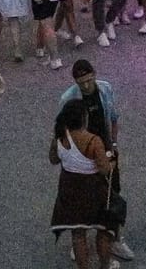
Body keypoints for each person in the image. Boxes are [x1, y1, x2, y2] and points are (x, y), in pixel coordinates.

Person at [49, 97, 118, 269]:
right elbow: (104, 169)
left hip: (69, 190)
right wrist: (113, 162)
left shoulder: (59, 138)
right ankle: (104, 266)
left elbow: (53, 159)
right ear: (83, 118)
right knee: (103, 231)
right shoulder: (93, 141)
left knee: (78, 234)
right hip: (93, 192)